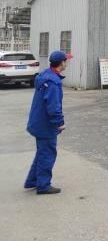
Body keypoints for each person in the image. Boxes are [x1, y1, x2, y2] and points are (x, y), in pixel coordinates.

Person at [24, 50, 73, 195]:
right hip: (45, 125)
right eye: (66, 60)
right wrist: (60, 123)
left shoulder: (46, 74)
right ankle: (43, 185)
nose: (67, 62)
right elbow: (53, 107)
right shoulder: (53, 82)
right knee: (47, 154)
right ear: (62, 63)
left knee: (42, 152)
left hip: (38, 122)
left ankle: (33, 181)